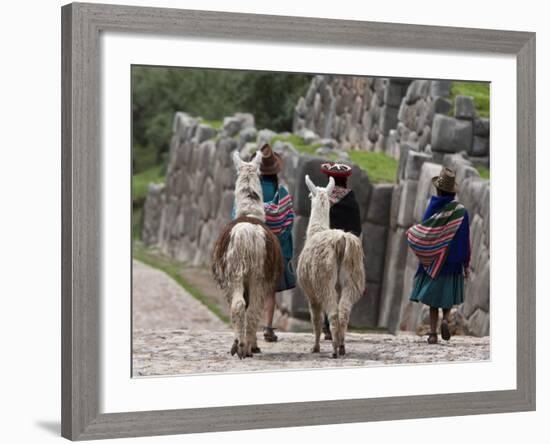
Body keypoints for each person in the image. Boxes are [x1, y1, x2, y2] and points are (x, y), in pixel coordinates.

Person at [232, 144, 296, 344]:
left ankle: (243, 329)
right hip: (272, 246)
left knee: (243, 283)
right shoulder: (282, 192)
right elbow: (288, 222)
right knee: (268, 289)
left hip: (246, 238)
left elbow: (236, 215)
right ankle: (268, 327)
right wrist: (280, 247)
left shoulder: (250, 191)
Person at [407, 167, 471, 344]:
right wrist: (465, 263)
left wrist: (414, 236)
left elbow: (426, 231)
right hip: (453, 262)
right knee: (447, 296)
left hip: (434, 260)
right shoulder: (461, 212)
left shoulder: (433, 206)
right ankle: (446, 319)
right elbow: (465, 239)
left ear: (438, 189)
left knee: (433, 300)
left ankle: (433, 333)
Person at [319, 162, 362, 340]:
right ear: (345, 181)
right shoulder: (351, 200)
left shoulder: (324, 199)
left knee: (327, 284)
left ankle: (327, 324)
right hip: (347, 248)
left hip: (327, 247)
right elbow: (357, 227)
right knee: (343, 286)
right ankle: (337, 323)